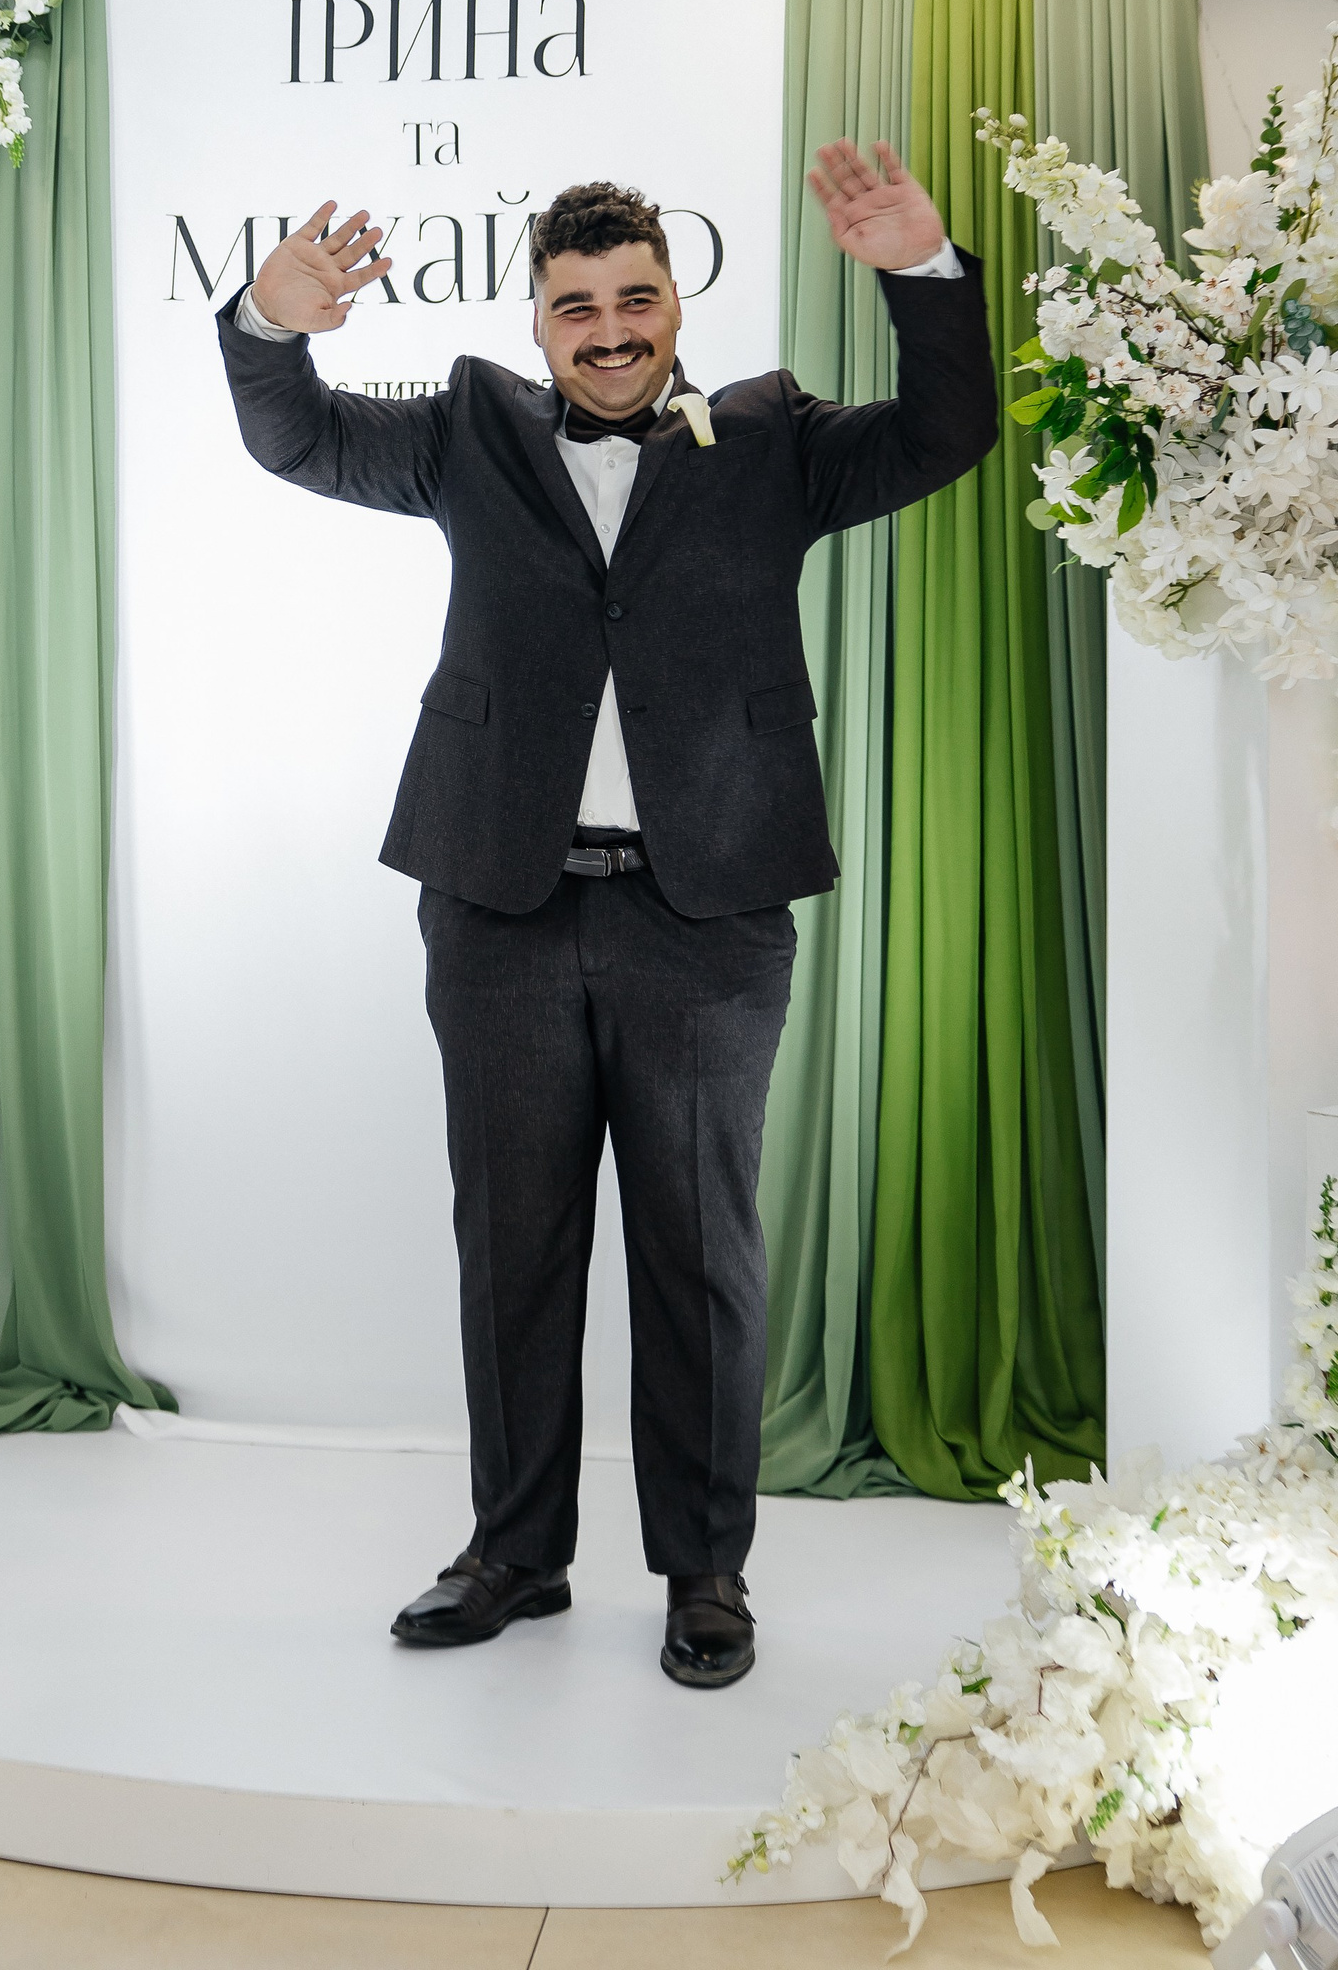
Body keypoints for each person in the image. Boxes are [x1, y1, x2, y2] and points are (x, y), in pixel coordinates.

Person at [217, 147, 997, 1689]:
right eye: (577, 307)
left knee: (701, 1254)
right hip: (500, 903)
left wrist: (922, 272)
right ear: (538, 322)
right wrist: (267, 324)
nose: (611, 329)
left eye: (635, 298)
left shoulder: (773, 439)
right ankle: (514, 1553)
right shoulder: (470, 431)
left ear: (675, 303)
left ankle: (705, 1572)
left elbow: (946, 429)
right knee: (510, 1246)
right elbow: (297, 438)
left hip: (706, 919)